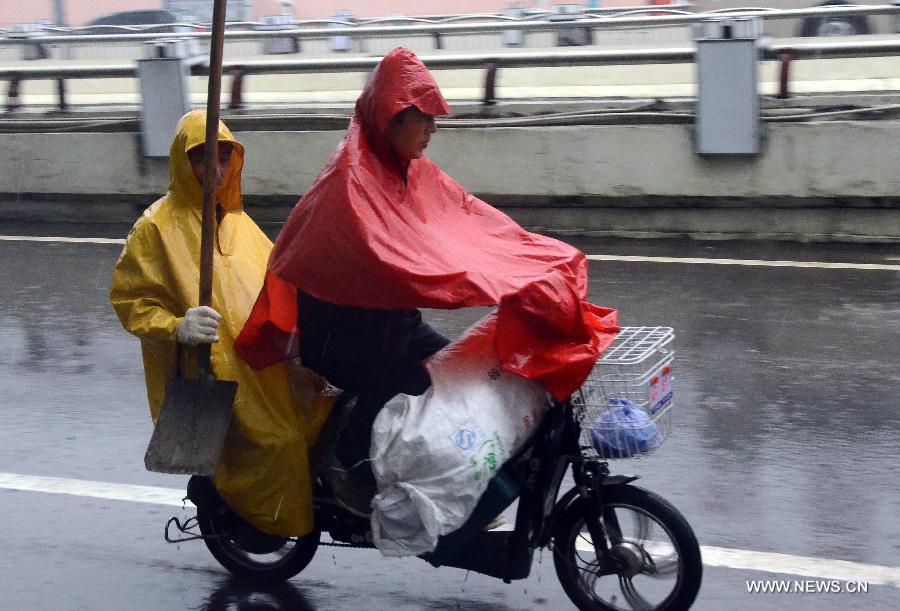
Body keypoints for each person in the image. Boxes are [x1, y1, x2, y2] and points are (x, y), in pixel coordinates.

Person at [236, 48, 619, 516]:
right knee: (414, 382)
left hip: (392, 325)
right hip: (339, 337)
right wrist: (479, 282)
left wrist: (527, 263)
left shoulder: (410, 171)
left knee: (458, 375)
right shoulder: (349, 182)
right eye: (424, 119)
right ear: (392, 118)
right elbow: (397, 262)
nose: (432, 130)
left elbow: (468, 222)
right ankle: (347, 462)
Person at [110, 110, 330, 537]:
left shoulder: (240, 224)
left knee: (326, 401)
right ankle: (280, 521)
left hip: (262, 356)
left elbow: (278, 280)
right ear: (181, 161)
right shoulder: (155, 228)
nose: (214, 170)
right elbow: (129, 300)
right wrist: (177, 326)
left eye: (224, 158)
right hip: (216, 368)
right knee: (277, 439)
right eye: (201, 157)